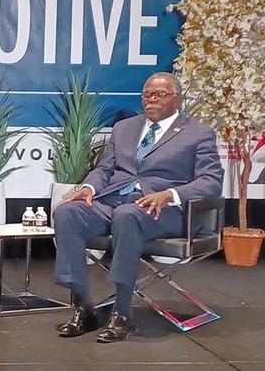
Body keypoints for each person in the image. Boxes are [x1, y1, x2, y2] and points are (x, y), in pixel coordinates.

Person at [52, 72, 223, 343]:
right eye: (147, 94)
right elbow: (105, 169)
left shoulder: (198, 133)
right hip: (113, 201)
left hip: (163, 211)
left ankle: (122, 314)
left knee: (128, 214)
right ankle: (83, 307)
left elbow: (212, 182)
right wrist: (89, 188)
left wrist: (170, 194)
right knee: (67, 212)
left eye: (160, 94)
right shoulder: (125, 128)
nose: (151, 99)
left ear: (176, 99)